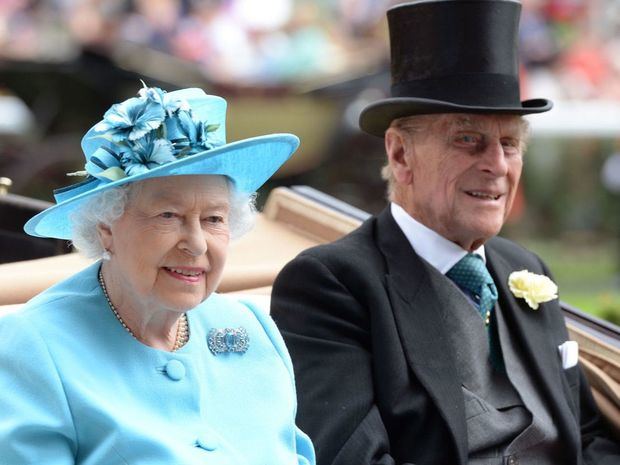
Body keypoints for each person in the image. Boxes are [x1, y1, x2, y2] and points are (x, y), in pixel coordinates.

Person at [271, 1, 620, 465]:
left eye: (510, 144)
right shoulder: (331, 285)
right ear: (399, 154)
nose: (496, 164)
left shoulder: (526, 269)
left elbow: (588, 434)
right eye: (467, 139)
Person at [0, 85, 315, 465]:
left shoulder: (252, 327)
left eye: (214, 219)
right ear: (106, 227)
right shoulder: (33, 346)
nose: (197, 244)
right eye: (168, 216)